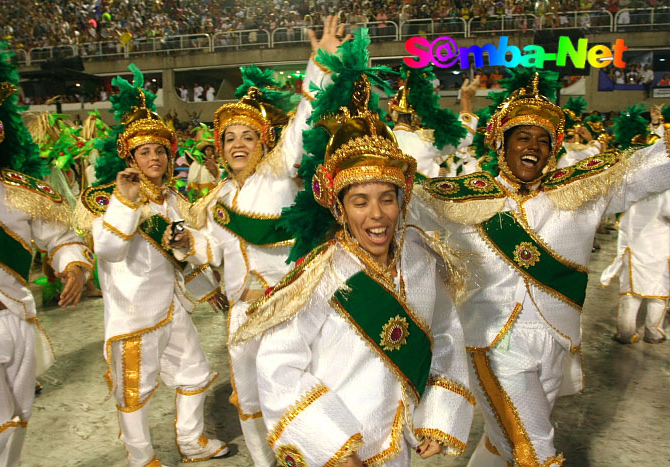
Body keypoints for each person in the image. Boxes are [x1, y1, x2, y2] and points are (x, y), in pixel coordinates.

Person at [410, 73, 670, 466]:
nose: (534, 146)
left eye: (544, 139)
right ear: (502, 143)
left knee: (503, 443)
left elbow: (642, 172)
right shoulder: (463, 197)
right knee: (536, 449)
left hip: (558, 341)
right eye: (523, 137)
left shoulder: (578, 192)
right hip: (495, 342)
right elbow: (393, 201)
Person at [234, 74, 473, 467]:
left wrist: (437, 416)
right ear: (340, 208)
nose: (377, 214)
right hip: (338, 450)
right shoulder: (320, 274)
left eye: (386, 199)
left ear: (402, 200)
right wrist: (336, 450)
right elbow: (278, 367)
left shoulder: (421, 261)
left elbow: (444, 336)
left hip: (398, 444)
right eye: (360, 201)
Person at [168, 16, 343, 467]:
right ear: (218, 147)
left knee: (294, 395)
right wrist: (186, 244)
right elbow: (209, 252)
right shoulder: (216, 199)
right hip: (240, 316)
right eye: (229, 138)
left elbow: (305, 119)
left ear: (264, 141)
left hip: (289, 307)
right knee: (249, 402)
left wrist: (318, 62)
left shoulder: (280, 172)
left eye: (249, 136)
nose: (238, 143)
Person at [74, 67, 227, 467]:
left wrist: (199, 275)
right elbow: (107, 251)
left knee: (194, 374)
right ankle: (141, 458)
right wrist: (125, 203)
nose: (155, 157)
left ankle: (191, 444)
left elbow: (179, 255)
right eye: (145, 152)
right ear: (131, 157)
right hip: (134, 315)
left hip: (172, 308)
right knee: (134, 390)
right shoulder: (106, 198)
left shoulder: (172, 199)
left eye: (160, 151)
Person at [0, 38, 93, 467]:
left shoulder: (21, 192)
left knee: (17, 423)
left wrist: (74, 267)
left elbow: (61, 238)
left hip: (18, 320)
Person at [600, 106, 669, 344]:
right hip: (657, 246)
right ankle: (653, 332)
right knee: (658, 293)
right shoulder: (664, 182)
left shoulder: (630, 179)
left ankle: (625, 332)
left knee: (630, 292)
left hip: (630, 243)